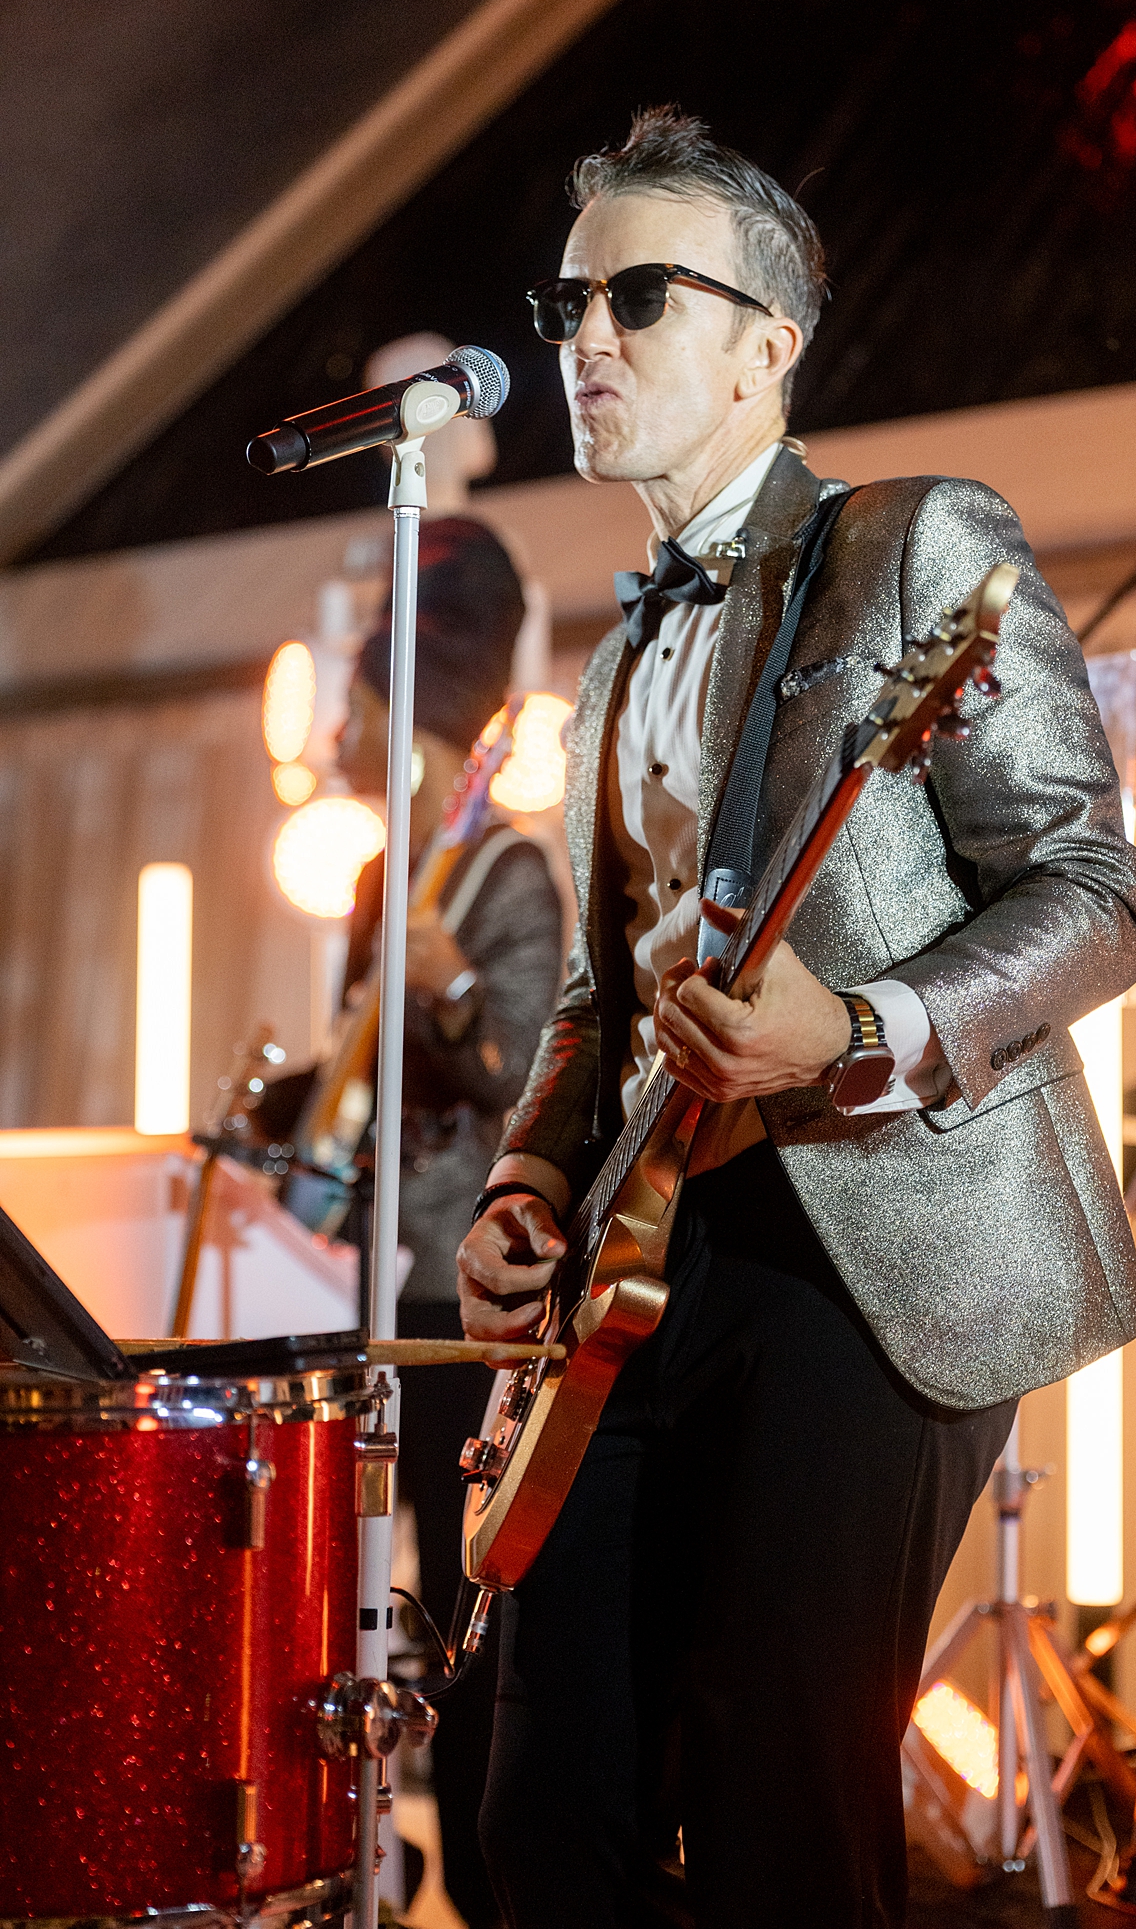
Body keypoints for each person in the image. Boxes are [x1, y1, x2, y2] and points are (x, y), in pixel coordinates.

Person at [455, 109, 1136, 1929]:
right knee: (541, 1803)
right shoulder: (609, 661)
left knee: (783, 1802)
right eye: (567, 302)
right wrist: (520, 1191)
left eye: (639, 297)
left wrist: (852, 1027)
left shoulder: (918, 543)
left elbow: (1095, 900)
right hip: (637, 1254)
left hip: (869, 1244)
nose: (582, 341)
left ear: (772, 344)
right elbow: (599, 996)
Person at [338, 336, 564, 1929]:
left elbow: (529, 1087)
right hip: (360, 1280)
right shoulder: (375, 878)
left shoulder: (509, 880)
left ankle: (493, 1867)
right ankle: (369, 1846)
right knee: (354, 1594)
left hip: (452, 1304)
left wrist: (449, 1003)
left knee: (465, 1596)